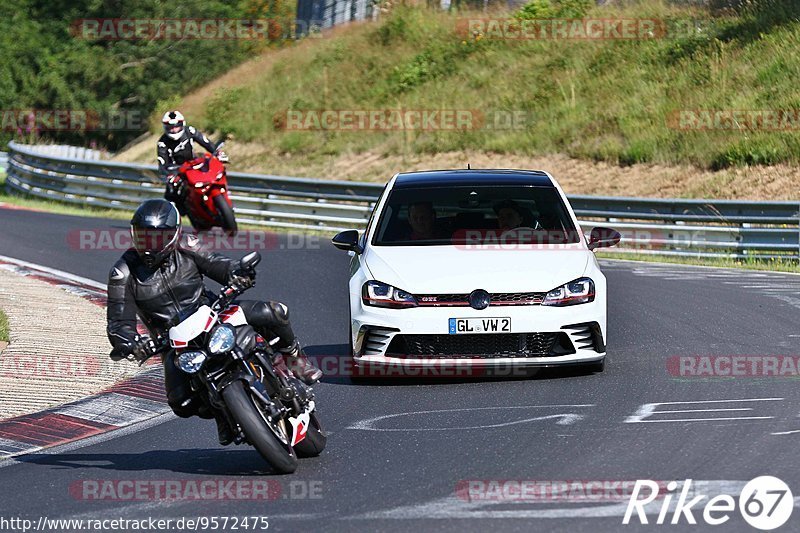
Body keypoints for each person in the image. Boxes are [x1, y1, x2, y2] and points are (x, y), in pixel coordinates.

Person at [106, 199, 322, 445]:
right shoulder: (122, 273)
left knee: (274, 311)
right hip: (173, 342)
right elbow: (118, 320)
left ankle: (295, 359)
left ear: (173, 234)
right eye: (142, 237)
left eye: (156, 238)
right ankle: (224, 413)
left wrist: (238, 274)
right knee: (182, 403)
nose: (148, 245)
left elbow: (218, 264)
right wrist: (131, 342)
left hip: (212, 314)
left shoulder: (188, 245)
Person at [157, 110, 228, 216]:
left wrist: (217, 152)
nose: (174, 129)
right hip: (178, 170)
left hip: (194, 163)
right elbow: (162, 164)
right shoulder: (162, 143)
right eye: (170, 127)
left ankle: (221, 197)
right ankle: (179, 215)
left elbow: (206, 142)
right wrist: (169, 175)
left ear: (182, 124)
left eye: (176, 126)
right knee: (170, 194)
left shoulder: (190, 131)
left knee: (213, 172)